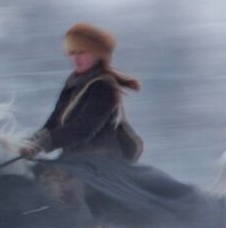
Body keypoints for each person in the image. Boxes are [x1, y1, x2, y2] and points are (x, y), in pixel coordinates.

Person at [21, 23, 144, 162]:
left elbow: (83, 129)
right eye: (72, 53)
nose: (76, 58)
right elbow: (54, 122)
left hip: (100, 163)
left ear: (98, 55)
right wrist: (30, 143)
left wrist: (44, 143)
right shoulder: (73, 85)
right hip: (74, 160)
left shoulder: (103, 86)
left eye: (82, 52)